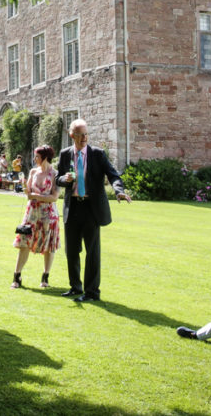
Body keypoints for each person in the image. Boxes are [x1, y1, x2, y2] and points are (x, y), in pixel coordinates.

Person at [56, 119, 131, 302]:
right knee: (71, 251)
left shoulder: (97, 154)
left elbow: (113, 174)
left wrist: (119, 191)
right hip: (72, 206)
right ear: (72, 135)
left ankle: (91, 292)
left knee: (92, 252)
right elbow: (57, 177)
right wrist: (63, 179)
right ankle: (75, 287)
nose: (84, 138)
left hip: (91, 208)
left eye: (86, 134)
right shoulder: (65, 154)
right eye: (80, 135)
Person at [11, 145, 60, 289]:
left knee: (48, 246)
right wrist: (25, 187)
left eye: (37, 156)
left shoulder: (55, 174)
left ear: (45, 157)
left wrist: (35, 196)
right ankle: (16, 276)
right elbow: (28, 193)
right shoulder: (33, 171)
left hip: (48, 214)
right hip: (31, 213)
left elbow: (54, 197)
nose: (34, 159)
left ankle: (45, 277)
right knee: (24, 242)